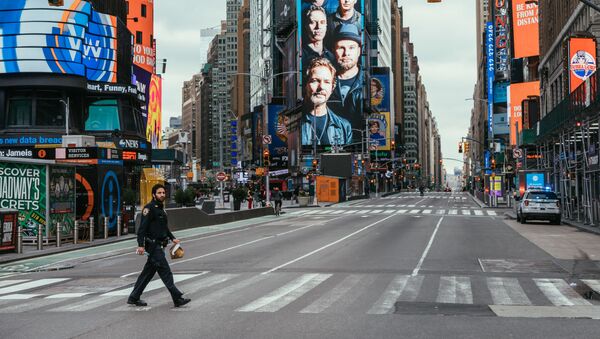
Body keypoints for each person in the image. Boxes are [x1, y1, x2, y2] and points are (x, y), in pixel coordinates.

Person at [128, 184, 191, 308]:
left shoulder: (161, 209)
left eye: (163, 192)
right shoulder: (149, 208)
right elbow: (142, 229)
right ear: (153, 194)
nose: (162, 195)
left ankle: (134, 297)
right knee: (166, 272)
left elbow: (164, 227)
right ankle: (177, 298)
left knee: (147, 274)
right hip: (153, 246)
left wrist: (173, 238)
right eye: (159, 193)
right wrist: (140, 245)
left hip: (160, 246)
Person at [301, 57, 352, 146]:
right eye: (315, 81)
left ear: (332, 88)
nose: (321, 87)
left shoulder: (344, 126)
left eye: (327, 82)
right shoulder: (293, 124)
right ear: (306, 85)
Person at [328, 23, 364, 128]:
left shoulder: (369, 83)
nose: (346, 53)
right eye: (341, 48)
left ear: (359, 51)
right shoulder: (323, 82)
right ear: (333, 50)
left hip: (361, 141)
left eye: (351, 48)